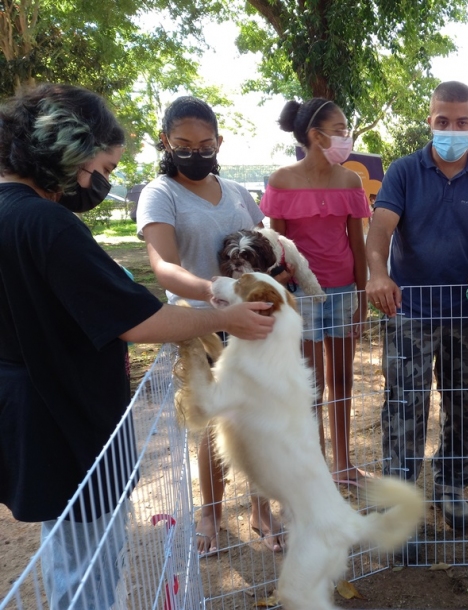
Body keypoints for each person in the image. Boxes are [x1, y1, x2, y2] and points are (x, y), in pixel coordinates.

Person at [0, 84, 275, 610]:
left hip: (28, 415)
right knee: (90, 568)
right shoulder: (47, 224)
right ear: (67, 149)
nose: (98, 183)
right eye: (98, 169)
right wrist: (225, 318)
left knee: (67, 553)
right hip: (68, 423)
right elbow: (137, 318)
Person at [137, 97, 283, 556]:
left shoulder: (237, 191)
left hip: (255, 321)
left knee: (259, 417)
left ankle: (262, 508)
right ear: (166, 142)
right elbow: (163, 267)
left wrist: (275, 277)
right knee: (215, 422)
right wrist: (215, 295)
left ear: (219, 142)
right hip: (203, 323)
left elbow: (266, 244)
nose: (195, 153)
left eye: (205, 144)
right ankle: (211, 513)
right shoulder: (159, 194)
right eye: (183, 144)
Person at [366, 81, 468, 540]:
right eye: (443, 121)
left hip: (466, 314)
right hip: (410, 311)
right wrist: (378, 274)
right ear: (430, 121)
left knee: (462, 403)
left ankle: (451, 485)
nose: (452, 130)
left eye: (461, 122)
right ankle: (398, 500)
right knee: (404, 405)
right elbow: (381, 230)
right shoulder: (405, 172)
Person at [260, 98, 370, 485]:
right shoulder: (282, 180)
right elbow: (277, 249)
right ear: (315, 135)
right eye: (340, 129)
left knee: (342, 380)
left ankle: (343, 464)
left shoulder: (350, 180)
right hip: (302, 299)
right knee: (312, 384)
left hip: (342, 294)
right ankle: (314, 468)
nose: (346, 136)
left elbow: (358, 245)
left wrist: (362, 299)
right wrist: (283, 302)